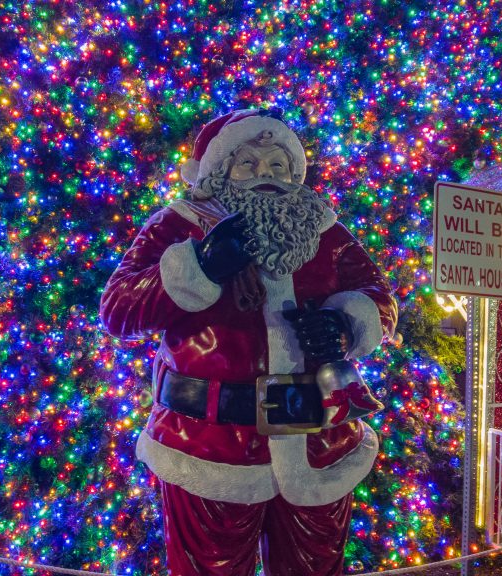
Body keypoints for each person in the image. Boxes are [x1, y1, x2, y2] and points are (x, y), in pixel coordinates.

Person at [99, 109, 398, 576]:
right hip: (209, 445)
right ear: (218, 172)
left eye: (278, 166)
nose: (266, 175)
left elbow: (379, 298)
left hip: (320, 444)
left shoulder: (326, 232)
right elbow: (118, 308)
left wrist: (345, 325)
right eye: (249, 164)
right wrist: (197, 267)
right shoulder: (178, 227)